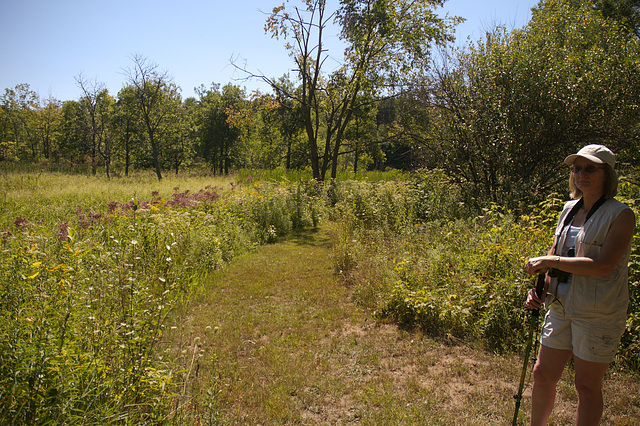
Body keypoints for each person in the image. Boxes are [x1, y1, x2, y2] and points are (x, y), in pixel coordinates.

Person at [524, 144, 635, 426]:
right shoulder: (569, 209)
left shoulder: (621, 214)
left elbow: (603, 265)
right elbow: (555, 254)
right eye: (576, 169)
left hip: (598, 313)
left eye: (590, 168)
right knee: (542, 374)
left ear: (606, 174)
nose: (581, 174)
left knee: (586, 386)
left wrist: (550, 261)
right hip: (560, 305)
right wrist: (540, 290)